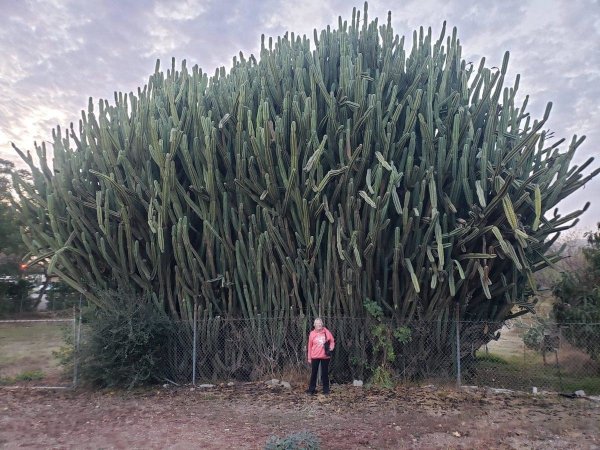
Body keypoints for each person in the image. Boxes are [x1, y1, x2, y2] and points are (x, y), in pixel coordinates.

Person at [306, 318, 335, 395]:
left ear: (322, 324)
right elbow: (309, 346)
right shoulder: (312, 334)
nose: (319, 325)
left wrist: (331, 348)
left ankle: (326, 390)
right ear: (314, 325)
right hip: (315, 356)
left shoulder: (326, 332)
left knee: (325, 373)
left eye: (320, 323)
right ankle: (311, 390)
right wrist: (309, 357)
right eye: (317, 323)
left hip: (325, 356)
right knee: (314, 373)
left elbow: (332, 340)